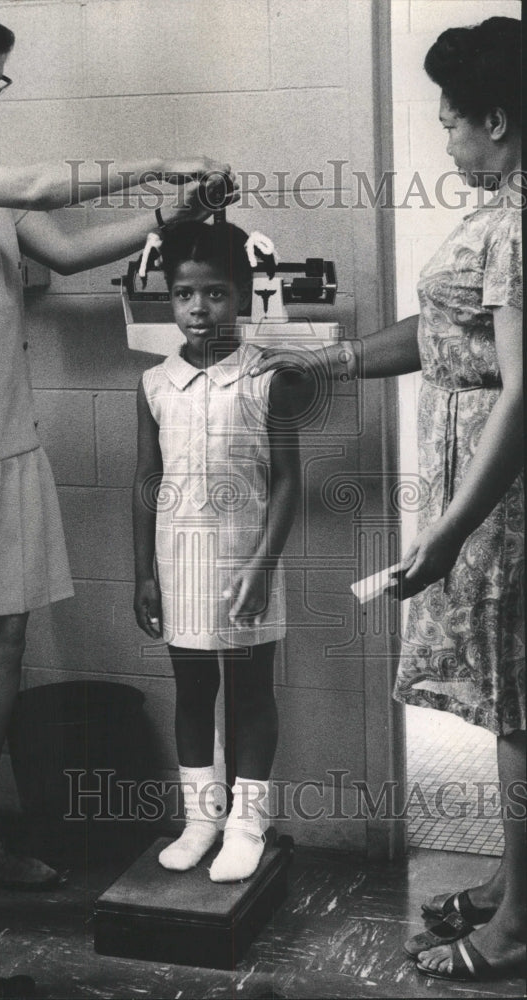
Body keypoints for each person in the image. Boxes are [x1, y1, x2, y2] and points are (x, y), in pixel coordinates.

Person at [0, 0, 235, 889]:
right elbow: (35, 190)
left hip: (5, 439)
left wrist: (168, 217)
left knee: (0, 640)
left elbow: (60, 250)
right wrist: (156, 162)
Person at [251, 16, 523, 982]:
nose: (444, 141)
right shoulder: (496, 214)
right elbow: (446, 336)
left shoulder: (517, 225)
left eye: (451, 122)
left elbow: (521, 388)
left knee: (518, 710)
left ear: (495, 119)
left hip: (503, 492)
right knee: (509, 707)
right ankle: (513, 888)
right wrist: (328, 362)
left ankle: (513, 928)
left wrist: (450, 532)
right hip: (479, 479)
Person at [132, 221, 301, 882]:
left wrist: (262, 566)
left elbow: (287, 479)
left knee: (251, 690)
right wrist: (142, 573)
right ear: (168, 300)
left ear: (243, 296)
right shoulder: (152, 384)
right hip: (180, 563)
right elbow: (145, 484)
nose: (198, 310)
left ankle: (246, 822)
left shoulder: (267, 378)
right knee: (192, 687)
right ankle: (201, 817)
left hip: (247, 563)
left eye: (215, 294)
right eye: (183, 295)